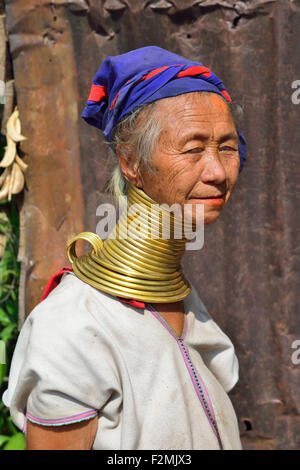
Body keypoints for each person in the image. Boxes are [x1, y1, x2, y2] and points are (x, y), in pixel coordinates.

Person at [2, 46, 246, 450]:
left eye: (226, 146)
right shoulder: (74, 325)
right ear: (130, 162)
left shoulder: (184, 303)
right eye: (193, 149)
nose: (218, 171)